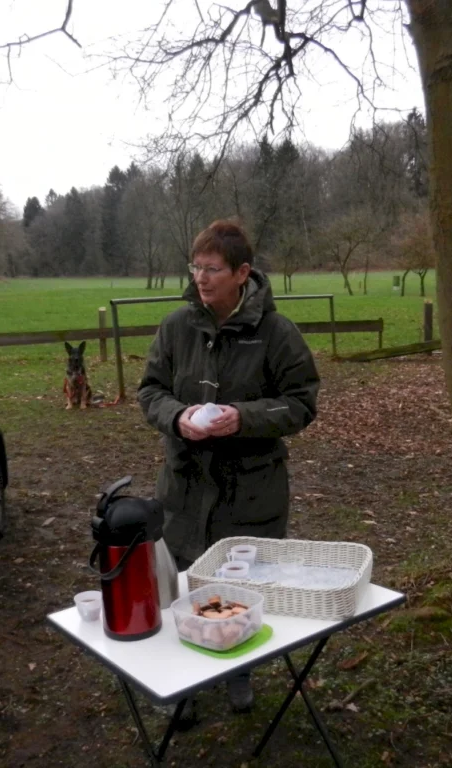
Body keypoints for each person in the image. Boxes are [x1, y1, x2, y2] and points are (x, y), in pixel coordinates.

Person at [137, 219, 320, 713]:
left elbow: (301, 403)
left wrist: (244, 418)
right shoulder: (177, 327)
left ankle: (238, 670)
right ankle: (184, 684)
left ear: (243, 273)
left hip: (251, 490)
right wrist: (178, 417)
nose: (201, 277)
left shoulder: (277, 333)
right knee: (183, 584)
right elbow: (150, 391)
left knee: (241, 586)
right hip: (184, 486)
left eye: (212, 268)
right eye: (196, 266)